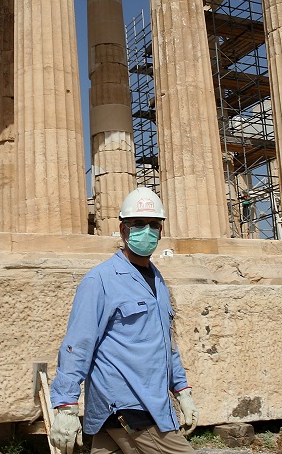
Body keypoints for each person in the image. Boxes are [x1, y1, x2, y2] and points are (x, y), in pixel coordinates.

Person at [48, 187, 199, 454]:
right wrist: (65, 405)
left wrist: (182, 389)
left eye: (154, 225)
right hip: (128, 405)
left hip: (149, 400)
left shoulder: (158, 280)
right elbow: (77, 344)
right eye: (138, 224)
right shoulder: (100, 280)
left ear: (161, 231)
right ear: (123, 230)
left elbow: (166, 343)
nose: (147, 231)